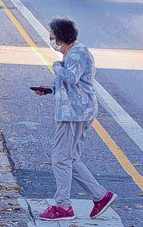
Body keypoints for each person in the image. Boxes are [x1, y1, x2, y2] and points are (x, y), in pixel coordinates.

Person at [34, 18, 116, 221]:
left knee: (60, 159)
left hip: (74, 114)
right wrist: (51, 89)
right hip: (74, 111)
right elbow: (72, 84)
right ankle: (101, 196)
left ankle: (63, 206)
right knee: (71, 159)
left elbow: (72, 77)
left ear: (60, 36)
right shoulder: (72, 53)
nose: (50, 37)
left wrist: (56, 66)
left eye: (51, 34)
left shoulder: (77, 53)